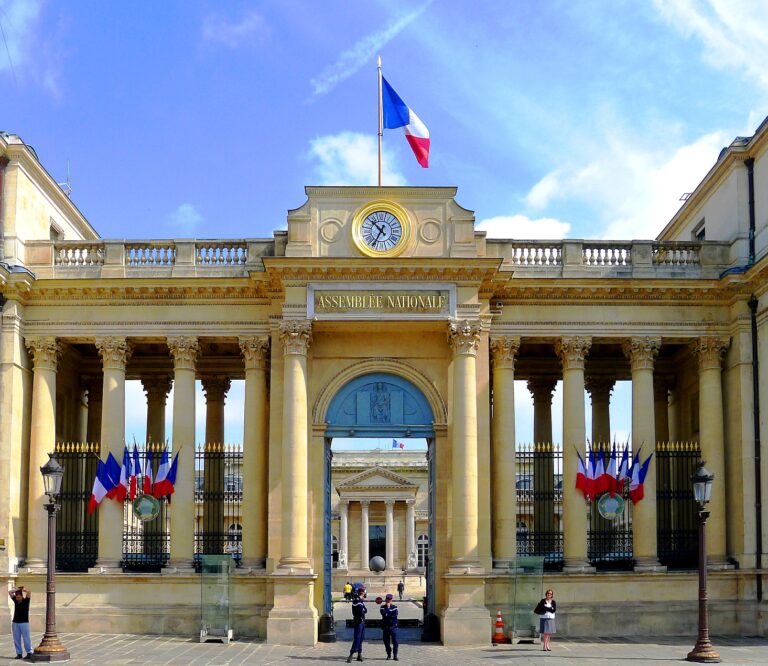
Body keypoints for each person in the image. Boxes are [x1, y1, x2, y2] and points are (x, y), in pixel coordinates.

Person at [9, 586, 33, 660]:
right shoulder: (16, 601)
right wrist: (16, 590)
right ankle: (19, 654)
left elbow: (29, 592)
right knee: (16, 639)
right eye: (16, 597)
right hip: (15, 623)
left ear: (22, 596)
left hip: (24, 623)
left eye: (19, 597)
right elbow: (10, 592)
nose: (17, 598)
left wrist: (23, 590)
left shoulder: (26, 601)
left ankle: (29, 652)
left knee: (26, 638)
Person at [347, 585, 367, 662]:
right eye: (363, 593)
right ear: (362, 593)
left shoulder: (360, 601)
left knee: (361, 638)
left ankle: (359, 654)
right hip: (359, 621)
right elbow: (362, 611)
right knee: (357, 638)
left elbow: (365, 610)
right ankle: (351, 654)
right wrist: (364, 610)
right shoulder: (357, 601)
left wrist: (364, 609)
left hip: (362, 621)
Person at [380, 593, 399, 661]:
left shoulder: (395, 607)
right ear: (385, 599)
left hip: (393, 627)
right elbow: (384, 614)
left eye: (390, 600)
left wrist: (388, 613)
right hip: (386, 627)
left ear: (392, 600)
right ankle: (389, 654)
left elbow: (395, 615)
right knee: (386, 642)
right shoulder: (382, 607)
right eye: (387, 599)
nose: (388, 601)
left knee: (395, 642)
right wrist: (388, 609)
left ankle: (395, 655)